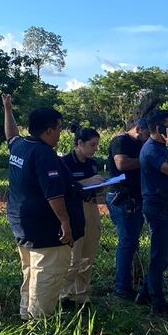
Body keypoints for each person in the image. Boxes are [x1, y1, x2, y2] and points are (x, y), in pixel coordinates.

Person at [2, 95, 85, 319]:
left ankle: (26, 313)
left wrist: (8, 109)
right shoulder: (45, 155)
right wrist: (65, 223)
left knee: (31, 270)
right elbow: (54, 195)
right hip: (46, 228)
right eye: (59, 128)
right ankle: (40, 321)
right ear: (49, 131)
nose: (61, 132)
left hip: (22, 222)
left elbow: (11, 135)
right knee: (47, 273)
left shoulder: (21, 146)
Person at [137, 110, 168, 316]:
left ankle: (145, 292)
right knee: (160, 256)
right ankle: (158, 303)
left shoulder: (161, 147)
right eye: (167, 124)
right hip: (158, 207)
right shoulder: (152, 149)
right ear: (157, 128)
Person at [61, 127, 106, 306]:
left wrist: (101, 184)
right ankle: (64, 295)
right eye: (92, 145)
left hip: (92, 207)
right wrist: (84, 183)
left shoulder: (92, 163)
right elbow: (62, 187)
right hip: (74, 210)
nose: (95, 149)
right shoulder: (65, 162)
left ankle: (82, 295)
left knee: (89, 253)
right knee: (74, 255)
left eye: (97, 145)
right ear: (79, 143)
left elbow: (93, 186)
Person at [106, 118, 150, 300]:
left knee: (132, 242)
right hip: (122, 198)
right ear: (138, 129)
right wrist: (146, 159)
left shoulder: (139, 144)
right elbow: (121, 164)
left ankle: (131, 279)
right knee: (127, 242)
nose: (148, 139)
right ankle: (122, 287)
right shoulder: (121, 141)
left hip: (135, 198)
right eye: (147, 134)